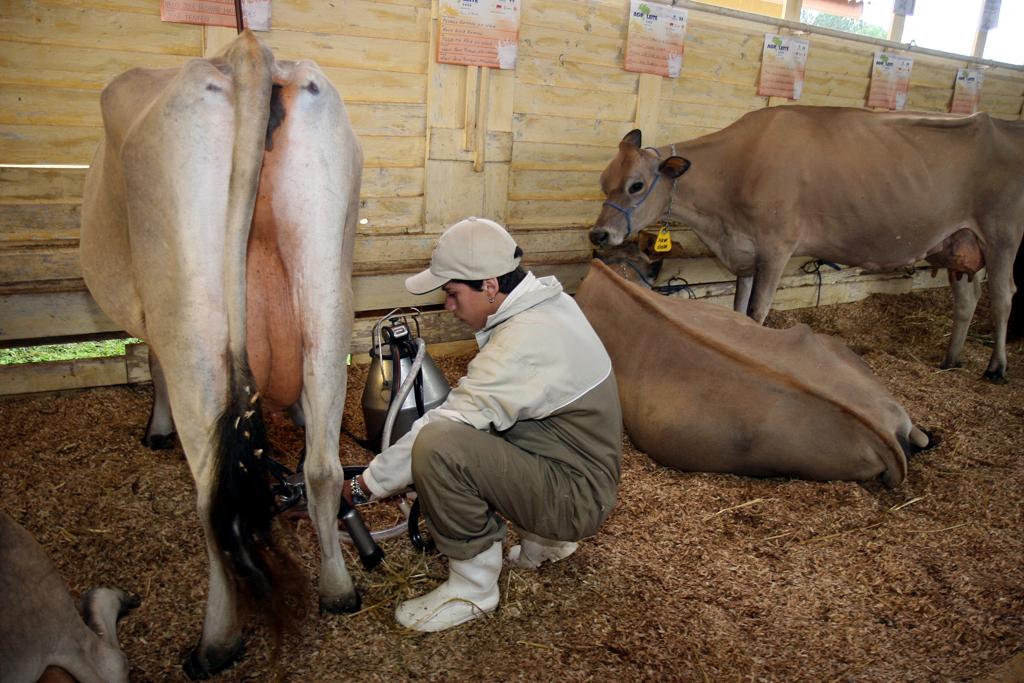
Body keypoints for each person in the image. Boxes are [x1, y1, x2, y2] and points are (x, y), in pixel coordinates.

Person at [344, 216, 622, 632]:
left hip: (576, 499)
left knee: (439, 445)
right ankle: (547, 541)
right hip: (581, 475)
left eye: (453, 294)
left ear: (490, 286)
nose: (449, 306)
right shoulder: (549, 305)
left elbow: (440, 429)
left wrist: (360, 488)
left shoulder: (526, 340)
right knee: (470, 431)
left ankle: (473, 589)